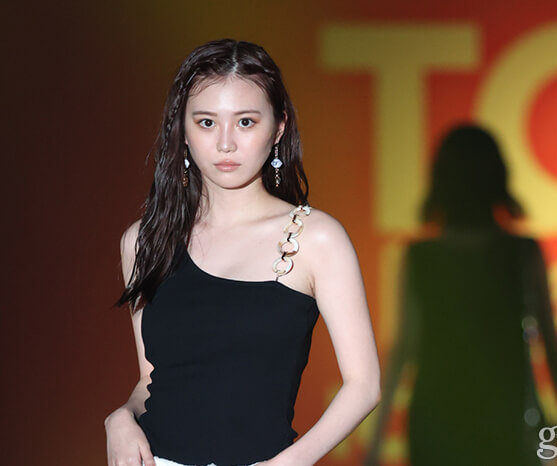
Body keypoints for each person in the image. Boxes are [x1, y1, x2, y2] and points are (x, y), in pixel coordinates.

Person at [104, 38, 381, 466]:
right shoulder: (144, 241)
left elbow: (364, 386)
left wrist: (288, 463)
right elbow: (153, 379)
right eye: (206, 122)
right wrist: (120, 418)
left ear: (279, 127)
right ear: (182, 130)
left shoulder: (315, 238)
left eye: (246, 122)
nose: (226, 143)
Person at [364, 125, 557, 465]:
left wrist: (376, 444)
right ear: (499, 179)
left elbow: (403, 349)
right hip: (507, 419)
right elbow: (550, 344)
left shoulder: (421, 258)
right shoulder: (521, 253)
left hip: (441, 424)